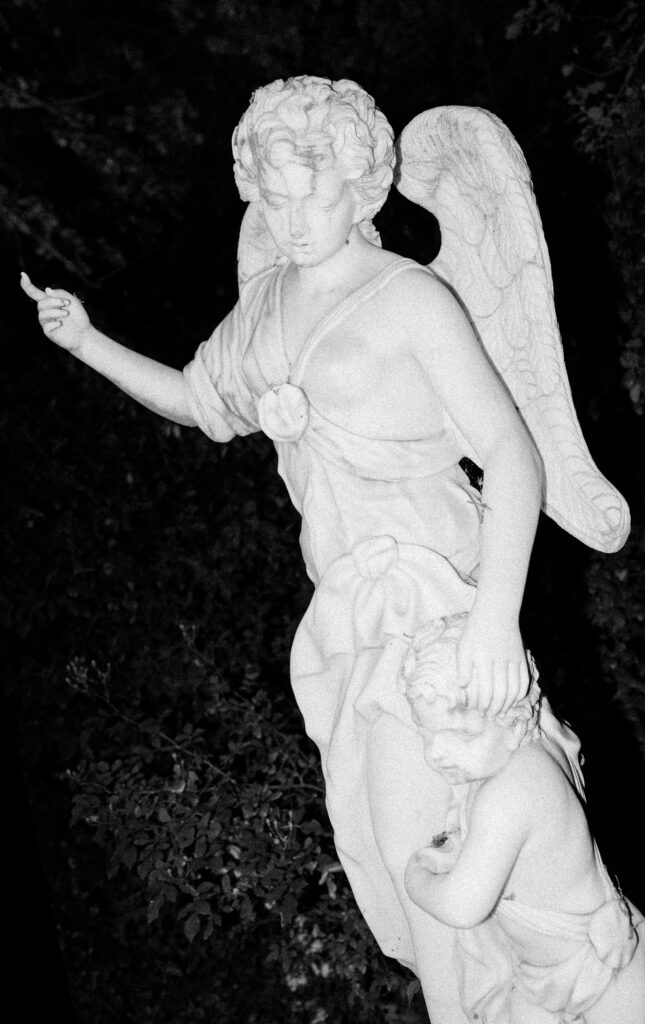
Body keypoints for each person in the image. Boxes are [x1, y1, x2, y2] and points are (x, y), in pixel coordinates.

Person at [22, 75, 545, 1024]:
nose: (290, 214)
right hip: (346, 611)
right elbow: (196, 398)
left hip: (435, 601)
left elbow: (512, 452)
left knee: (437, 851)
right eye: (271, 193)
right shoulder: (262, 308)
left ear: (361, 184)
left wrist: (495, 623)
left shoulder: (410, 300)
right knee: (405, 862)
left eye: (310, 191)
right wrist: (85, 340)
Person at [402, 614, 645, 1024]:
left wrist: (417, 874)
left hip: (602, 974)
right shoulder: (512, 753)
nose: (437, 752)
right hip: (536, 978)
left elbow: (462, 905)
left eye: (462, 733)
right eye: (427, 731)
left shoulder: (513, 791)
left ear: (516, 723)